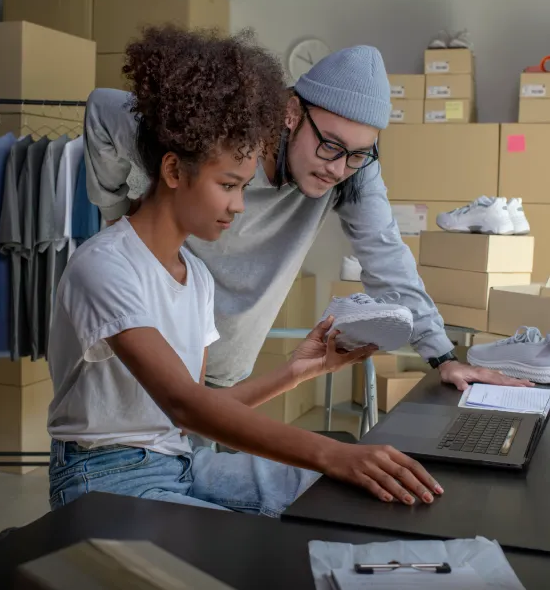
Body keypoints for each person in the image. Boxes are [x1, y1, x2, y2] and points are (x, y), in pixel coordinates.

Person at [48, 26, 442, 514]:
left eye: (243, 186)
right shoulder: (104, 267)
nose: (240, 207)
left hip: (179, 460)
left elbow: (190, 418)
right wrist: (333, 452)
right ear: (173, 172)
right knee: (266, 546)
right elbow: (185, 405)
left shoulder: (196, 279)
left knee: (339, 497)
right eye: (231, 185)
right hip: (105, 475)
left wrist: (297, 372)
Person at [84, 39, 533, 394]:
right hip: (141, 348)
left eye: (358, 155)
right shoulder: (217, 135)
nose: (338, 168)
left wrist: (442, 356)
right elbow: (104, 109)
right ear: (291, 112)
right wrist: (117, 215)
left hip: (222, 368)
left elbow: (388, 260)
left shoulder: (351, 171)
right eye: (330, 145)